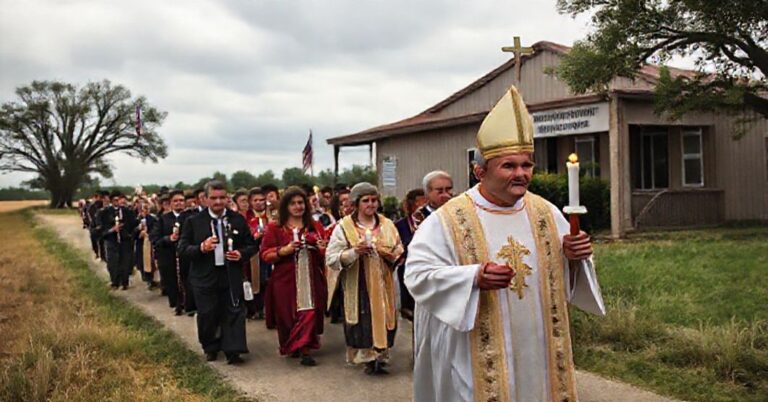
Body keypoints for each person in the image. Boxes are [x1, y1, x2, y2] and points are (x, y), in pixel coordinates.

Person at [405, 86, 605, 402]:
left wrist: (574, 256)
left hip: (538, 347)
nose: (521, 174)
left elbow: (563, 275)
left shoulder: (545, 212)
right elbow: (417, 275)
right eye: (509, 166)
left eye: (527, 165)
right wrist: (472, 278)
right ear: (479, 171)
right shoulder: (448, 220)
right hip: (476, 350)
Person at [326, 182, 404, 375]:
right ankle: (367, 358)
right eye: (366, 200)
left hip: (382, 281)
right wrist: (354, 252)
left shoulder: (387, 224)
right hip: (358, 281)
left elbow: (399, 250)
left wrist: (386, 253)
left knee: (384, 316)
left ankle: (380, 355)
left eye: (374, 200)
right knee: (362, 318)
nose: (371, 204)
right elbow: (332, 257)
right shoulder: (344, 227)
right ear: (356, 203)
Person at [179, 180, 256, 364]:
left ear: (227, 198)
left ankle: (233, 350)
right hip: (204, 275)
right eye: (214, 198)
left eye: (222, 198)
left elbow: (252, 245)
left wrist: (241, 253)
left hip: (230, 273)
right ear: (205, 199)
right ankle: (211, 346)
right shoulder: (193, 221)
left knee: (234, 310)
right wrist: (201, 248)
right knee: (208, 313)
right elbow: (182, 249)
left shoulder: (237, 219)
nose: (218, 202)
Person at [259, 186, 328, 366]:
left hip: (311, 278)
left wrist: (322, 249)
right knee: (288, 315)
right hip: (285, 280)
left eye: (301, 203)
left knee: (309, 311)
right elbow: (265, 254)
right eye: (293, 203)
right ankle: (294, 344)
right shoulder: (275, 227)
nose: (298, 207)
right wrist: (284, 250)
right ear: (286, 206)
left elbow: (325, 253)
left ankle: (306, 349)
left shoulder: (315, 226)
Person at [151, 189, 194, 315]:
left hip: (187, 255)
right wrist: (168, 238)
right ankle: (178, 304)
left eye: (181, 200)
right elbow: (155, 238)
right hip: (170, 256)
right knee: (172, 281)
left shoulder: (191, 217)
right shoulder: (163, 219)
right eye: (175, 201)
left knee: (189, 280)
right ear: (170, 203)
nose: (179, 203)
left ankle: (190, 305)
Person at [393, 188, 426, 321]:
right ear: (413, 203)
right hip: (407, 268)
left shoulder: (431, 220)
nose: (424, 204)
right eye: (421, 201)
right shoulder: (400, 225)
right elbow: (397, 246)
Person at [244, 187, 273, 320]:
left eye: (262, 200)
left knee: (271, 281)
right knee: (258, 281)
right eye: (255, 200)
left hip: (271, 252)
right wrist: (254, 236)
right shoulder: (245, 217)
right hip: (254, 255)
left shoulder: (272, 215)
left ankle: (271, 309)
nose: (259, 203)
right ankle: (257, 308)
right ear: (250, 202)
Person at [99, 190, 138, 290]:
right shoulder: (105, 213)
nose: (117, 202)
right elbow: (101, 228)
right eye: (115, 200)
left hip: (125, 241)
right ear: (112, 201)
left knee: (125, 262)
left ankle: (125, 282)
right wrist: (112, 230)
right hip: (111, 240)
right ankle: (115, 282)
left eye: (119, 199)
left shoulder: (127, 212)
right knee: (113, 262)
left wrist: (129, 234)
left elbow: (133, 224)